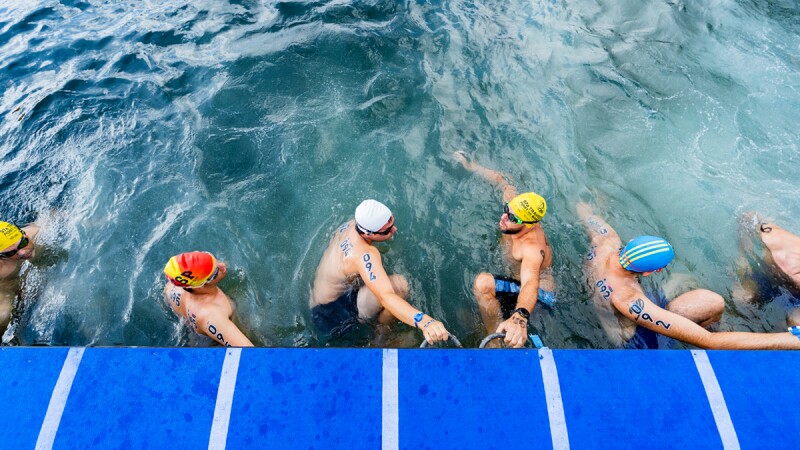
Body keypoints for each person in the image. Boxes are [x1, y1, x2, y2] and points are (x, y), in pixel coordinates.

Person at [576, 202, 800, 349]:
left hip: (608, 299)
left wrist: (593, 205)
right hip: (629, 340)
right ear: (647, 272)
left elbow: (585, 212)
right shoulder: (630, 300)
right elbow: (710, 342)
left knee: (683, 279)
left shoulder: (605, 242)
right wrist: (791, 339)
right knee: (710, 302)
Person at [310, 199, 450, 345]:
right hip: (334, 315)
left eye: (392, 223)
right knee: (399, 286)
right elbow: (386, 296)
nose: (394, 230)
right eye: (387, 231)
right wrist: (425, 322)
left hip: (317, 302)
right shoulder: (365, 254)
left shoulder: (351, 225)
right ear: (368, 233)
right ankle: (381, 339)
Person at [454, 152, 556, 348]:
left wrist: (520, 317)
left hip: (539, 296)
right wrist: (472, 166)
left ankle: (494, 343)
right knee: (463, 316)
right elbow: (504, 181)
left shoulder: (532, 248)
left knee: (482, 283)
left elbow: (530, 284)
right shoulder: (516, 209)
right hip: (515, 282)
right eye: (507, 210)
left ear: (529, 224)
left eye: (513, 219)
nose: (504, 218)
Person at [163, 251, 253, 347]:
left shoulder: (171, 286)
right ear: (199, 286)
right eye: (214, 274)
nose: (222, 265)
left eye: (214, 261)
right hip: (210, 340)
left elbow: (165, 301)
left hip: (195, 326)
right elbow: (249, 352)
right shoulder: (212, 315)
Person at [738, 213, 800, 327]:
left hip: (791, 292)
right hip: (769, 277)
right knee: (742, 299)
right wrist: (743, 256)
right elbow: (749, 218)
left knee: (795, 322)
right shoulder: (783, 248)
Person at [0, 221, 41, 333]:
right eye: (10, 253)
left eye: (23, 243)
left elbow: (53, 216)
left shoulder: (32, 234)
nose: (23, 252)